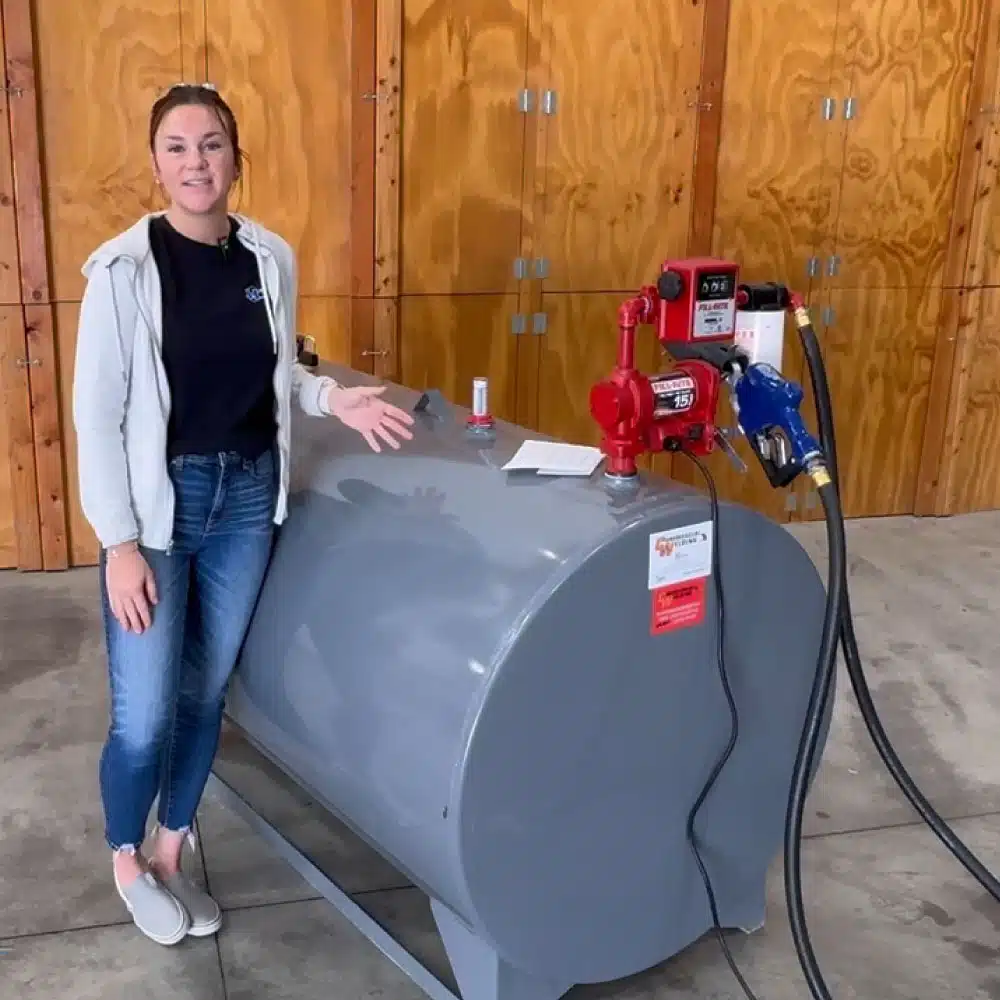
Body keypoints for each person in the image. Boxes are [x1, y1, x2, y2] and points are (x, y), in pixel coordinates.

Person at [71, 82, 414, 946]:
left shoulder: (268, 257)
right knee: (144, 713)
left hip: (248, 499)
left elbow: (276, 371)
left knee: (204, 692)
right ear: (156, 166)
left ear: (236, 158)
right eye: (178, 147)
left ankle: (171, 850)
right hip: (161, 508)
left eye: (212, 144)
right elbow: (97, 417)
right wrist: (119, 544)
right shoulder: (123, 272)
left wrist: (332, 397)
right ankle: (126, 856)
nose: (197, 162)